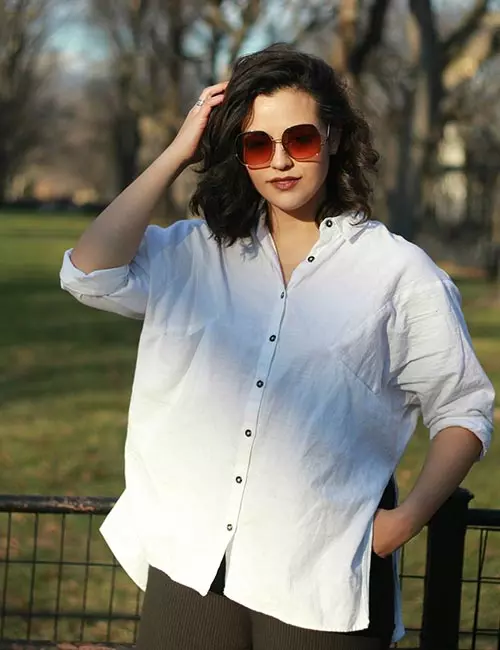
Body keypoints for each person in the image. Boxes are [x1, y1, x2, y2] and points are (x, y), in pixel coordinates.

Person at [59, 44, 494, 650]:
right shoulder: (195, 252)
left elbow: (464, 410)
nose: (281, 161)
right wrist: (179, 151)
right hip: (192, 568)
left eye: (301, 139)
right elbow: (87, 272)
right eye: (258, 144)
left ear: (334, 137)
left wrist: (404, 522)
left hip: (316, 578)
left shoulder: (398, 274)